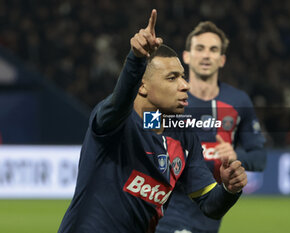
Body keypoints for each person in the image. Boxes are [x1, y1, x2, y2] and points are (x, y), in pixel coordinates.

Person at [58, 10, 248, 233]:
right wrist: (136, 59)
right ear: (143, 85)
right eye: (172, 78)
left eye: (183, 76)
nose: (185, 85)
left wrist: (228, 189)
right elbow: (119, 102)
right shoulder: (116, 122)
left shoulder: (183, 136)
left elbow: (209, 204)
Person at [156, 21, 266, 233]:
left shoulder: (238, 101)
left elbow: (260, 157)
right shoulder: (168, 98)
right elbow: (142, 132)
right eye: (200, 48)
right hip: (167, 210)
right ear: (186, 56)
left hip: (210, 211)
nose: (206, 55)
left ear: (222, 59)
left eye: (213, 50)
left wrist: (236, 155)